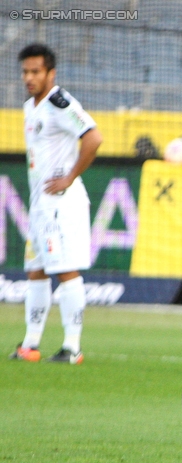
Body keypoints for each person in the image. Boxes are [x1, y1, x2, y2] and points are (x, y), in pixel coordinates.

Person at [10, 43, 102, 365]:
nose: (29, 77)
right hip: (39, 205)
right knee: (35, 271)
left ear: (51, 73)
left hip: (61, 203)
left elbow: (93, 137)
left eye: (36, 71)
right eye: (25, 71)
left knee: (65, 270)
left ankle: (72, 347)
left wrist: (70, 177)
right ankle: (30, 344)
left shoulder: (60, 104)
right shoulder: (30, 107)